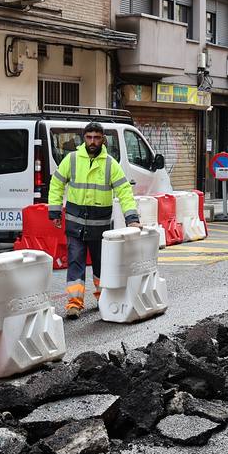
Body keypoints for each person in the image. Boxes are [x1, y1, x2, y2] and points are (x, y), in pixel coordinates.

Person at [47, 122, 140, 319]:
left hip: (100, 226)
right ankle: (74, 303)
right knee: (75, 263)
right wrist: (54, 211)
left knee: (101, 265)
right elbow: (56, 184)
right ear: (84, 138)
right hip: (75, 224)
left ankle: (102, 298)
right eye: (89, 137)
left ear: (103, 139)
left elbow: (124, 191)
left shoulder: (110, 164)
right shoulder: (71, 160)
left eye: (96, 138)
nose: (92, 141)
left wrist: (132, 218)